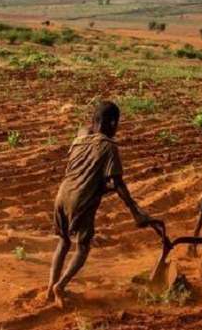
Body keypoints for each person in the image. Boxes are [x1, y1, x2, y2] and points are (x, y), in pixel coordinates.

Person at [46, 101, 161, 307]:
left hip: (61, 195)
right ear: (112, 123)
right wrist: (136, 212)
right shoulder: (108, 147)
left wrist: (99, 188)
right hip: (80, 201)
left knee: (63, 242)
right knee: (82, 248)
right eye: (116, 125)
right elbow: (117, 184)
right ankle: (60, 286)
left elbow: (90, 175)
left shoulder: (80, 138)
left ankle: (49, 287)